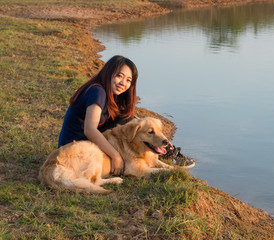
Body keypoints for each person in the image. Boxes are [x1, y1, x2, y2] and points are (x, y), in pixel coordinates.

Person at [58, 55, 195, 175]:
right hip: (75, 150)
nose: (123, 83)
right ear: (108, 73)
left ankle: (162, 149)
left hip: (83, 144)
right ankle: (152, 157)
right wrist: (115, 156)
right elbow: (90, 130)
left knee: (129, 119)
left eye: (129, 80)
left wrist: (159, 136)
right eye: (119, 76)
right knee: (128, 123)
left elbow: (127, 118)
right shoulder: (97, 91)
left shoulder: (110, 93)